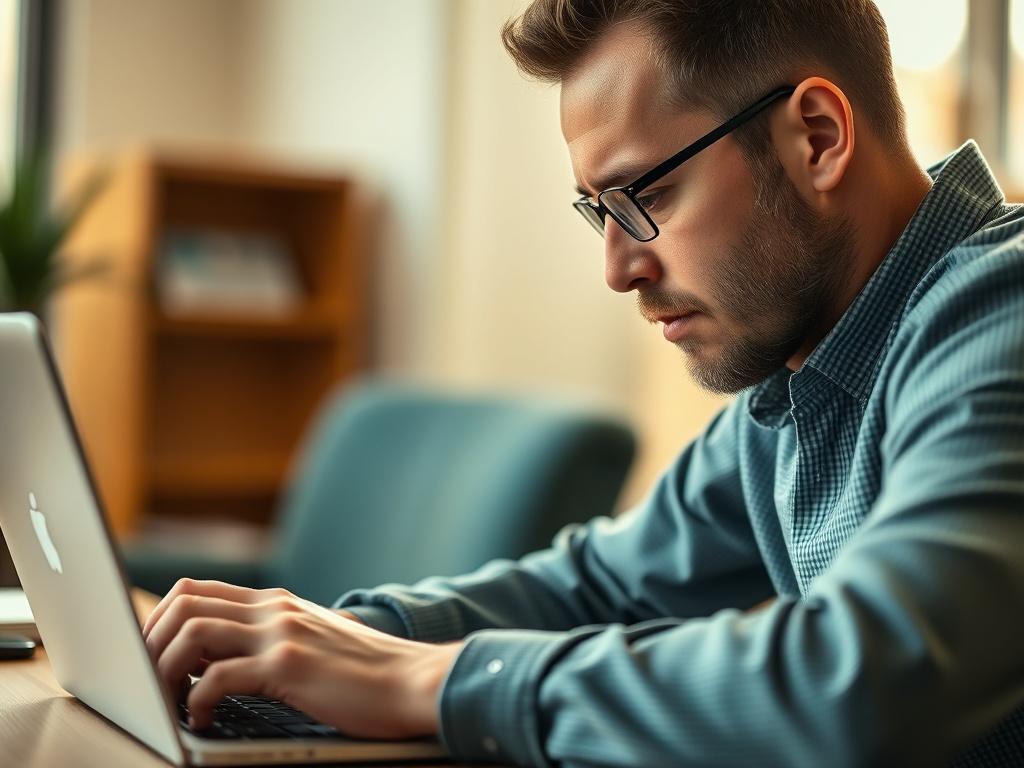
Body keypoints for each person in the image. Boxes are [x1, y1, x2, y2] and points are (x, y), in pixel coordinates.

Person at [142, 1, 1024, 765]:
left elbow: (865, 683)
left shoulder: (1000, 313)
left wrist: (435, 680)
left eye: (647, 195)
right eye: (598, 212)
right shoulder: (803, 372)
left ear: (816, 137)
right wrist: (315, 638)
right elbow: (598, 586)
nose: (618, 267)